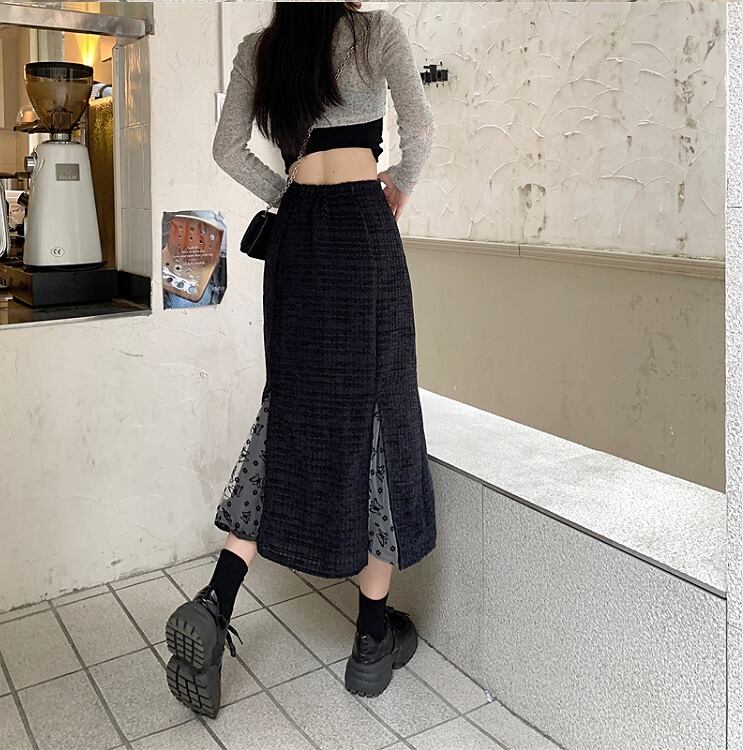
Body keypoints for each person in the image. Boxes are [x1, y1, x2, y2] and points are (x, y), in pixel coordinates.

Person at [164, 1, 437, 718]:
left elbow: (226, 148)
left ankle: (216, 601)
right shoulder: (376, 32)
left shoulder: (262, 47)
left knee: (289, 413)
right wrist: (397, 183)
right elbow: (421, 129)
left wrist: (288, 194)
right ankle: (371, 641)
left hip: (298, 242)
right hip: (361, 231)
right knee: (380, 417)